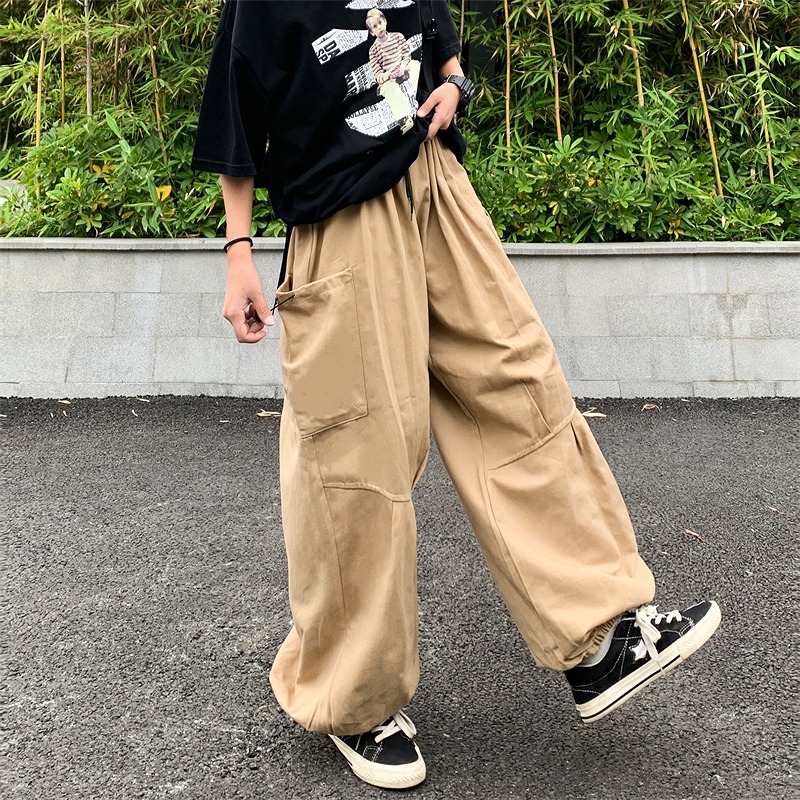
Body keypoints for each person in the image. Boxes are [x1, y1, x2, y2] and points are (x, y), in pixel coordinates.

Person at [192, 1, 720, 790]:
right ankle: (353, 699)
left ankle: (597, 641)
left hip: (438, 185)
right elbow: (236, 111)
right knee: (358, 451)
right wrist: (239, 252)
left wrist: (456, 86)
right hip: (341, 217)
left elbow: (441, 47)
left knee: (517, 384)